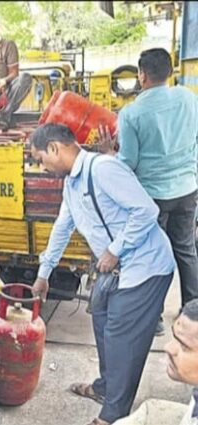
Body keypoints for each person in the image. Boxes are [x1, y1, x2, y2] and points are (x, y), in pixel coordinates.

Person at [30, 123, 176, 425]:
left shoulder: (103, 170)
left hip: (145, 267)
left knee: (122, 340)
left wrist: (115, 250)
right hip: (115, 269)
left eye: (41, 159)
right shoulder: (72, 184)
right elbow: (62, 228)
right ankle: (106, 388)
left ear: (54, 148)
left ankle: (113, 414)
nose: (42, 167)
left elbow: (146, 211)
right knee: (101, 321)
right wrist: (44, 274)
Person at [99, 48, 198, 335]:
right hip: (187, 189)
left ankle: (153, 318)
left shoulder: (131, 113)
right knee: (185, 250)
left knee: (152, 257)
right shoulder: (189, 98)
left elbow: (128, 162)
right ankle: (193, 312)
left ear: (142, 76)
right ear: (171, 71)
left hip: (152, 195)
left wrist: (108, 153)